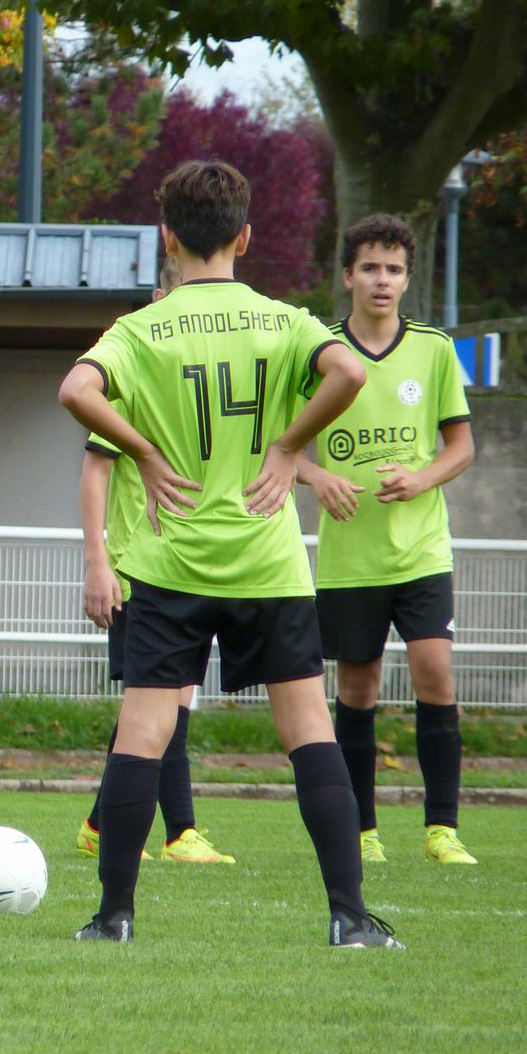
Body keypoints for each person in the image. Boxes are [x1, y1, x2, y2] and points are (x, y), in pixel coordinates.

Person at [58, 158, 400, 948]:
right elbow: (350, 371)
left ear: (167, 238)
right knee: (307, 730)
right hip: (265, 561)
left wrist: (143, 451)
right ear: (244, 237)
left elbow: (76, 391)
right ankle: (349, 917)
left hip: (169, 561)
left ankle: (114, 917)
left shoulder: (142, 329)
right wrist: (287, 447)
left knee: (143, 732)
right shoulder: (283, 321)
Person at [295, 213, 478, 865]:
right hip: (352, 557)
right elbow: (275, 448)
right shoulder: (319, 353)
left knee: (434, 670)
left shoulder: (433, 349)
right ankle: (363, 830)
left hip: (421, 549)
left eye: (394, 269)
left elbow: (461, 446)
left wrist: (422, 477)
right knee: (358, 688)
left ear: (407, 279)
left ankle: (441, 830)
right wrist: (318, 476)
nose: (382, 279)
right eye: (370, 267)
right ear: (348, 276)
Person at [77, 256, 233, 866]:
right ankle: (178, 832)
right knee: (162, 705)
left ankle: (101, 824)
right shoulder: (134, 369)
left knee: (164, 706)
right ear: (159, 297)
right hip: (138, 569)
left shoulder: (202, 377)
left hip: (187, 564)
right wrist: (98, 562)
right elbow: (95, 471)